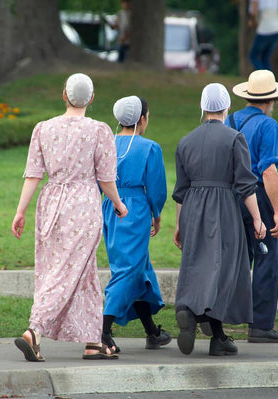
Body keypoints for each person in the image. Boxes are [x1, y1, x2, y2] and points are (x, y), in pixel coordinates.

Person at [11, 73, 128, 362]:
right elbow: (106, 178)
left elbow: (33, 174)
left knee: (82, 270)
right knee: (66, 271)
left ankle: (92, 340)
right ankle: (34, 330)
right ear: (91, 98)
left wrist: (21, 210)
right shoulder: (99, 131)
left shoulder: (43, 129)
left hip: (50, 203)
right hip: (83, 204)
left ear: (64, 95)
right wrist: (119, 204)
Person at [172, 83, 267, 357]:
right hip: (223, 207)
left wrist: (179, 224)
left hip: (192, 209)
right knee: (225, 268)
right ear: (227, 107)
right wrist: (258, 219)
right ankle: (216, 335)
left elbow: (180, 190)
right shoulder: (235, 138)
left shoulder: (185, 141)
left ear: (202, 108)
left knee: (196, 263)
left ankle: (190, 311)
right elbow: (246, 186)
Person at [100, 95, 172, 352]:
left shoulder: (106, 142)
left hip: (109, 204)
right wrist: (156, 212)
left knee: (138, 267)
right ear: (142, 119)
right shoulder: (149, 147)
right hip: (134, 207)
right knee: (129, 268)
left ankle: (151, 331)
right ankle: (103, 330)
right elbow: (156, 186)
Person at [227, 69, 278, 344]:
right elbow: (268, 171)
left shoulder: (230, 120)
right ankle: (261, 325)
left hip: (230, 196)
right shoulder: (268, 126)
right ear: (272, 99)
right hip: (258, 196)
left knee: (236, 260)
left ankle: (221, 315)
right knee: (266, 258)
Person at [247, 0, 278, 71]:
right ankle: (270, 79)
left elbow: (254, 8)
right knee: (265, 57)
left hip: (265, 28)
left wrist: (252, 21)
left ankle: (264, 78)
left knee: (253, 56)